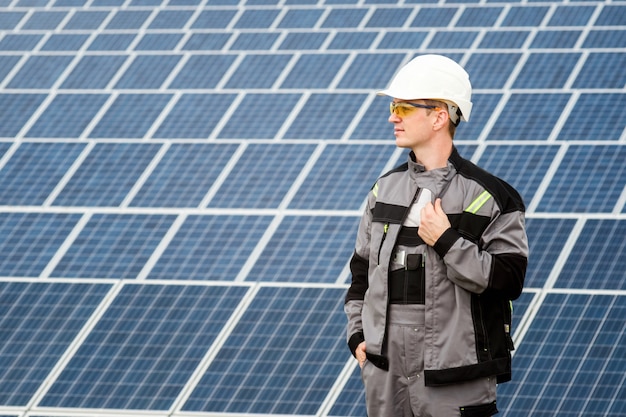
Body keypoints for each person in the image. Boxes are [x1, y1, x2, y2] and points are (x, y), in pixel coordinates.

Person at [344, 54, 529, 417]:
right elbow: (361, 276)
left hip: (453, 377)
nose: (391, 116)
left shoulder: (491, 197)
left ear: (439, 116)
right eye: (393, 106)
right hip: (384, 373)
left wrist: (446, 239)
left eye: (403, 107)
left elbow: (508, 280)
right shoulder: (383, 190)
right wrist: (357, 338)